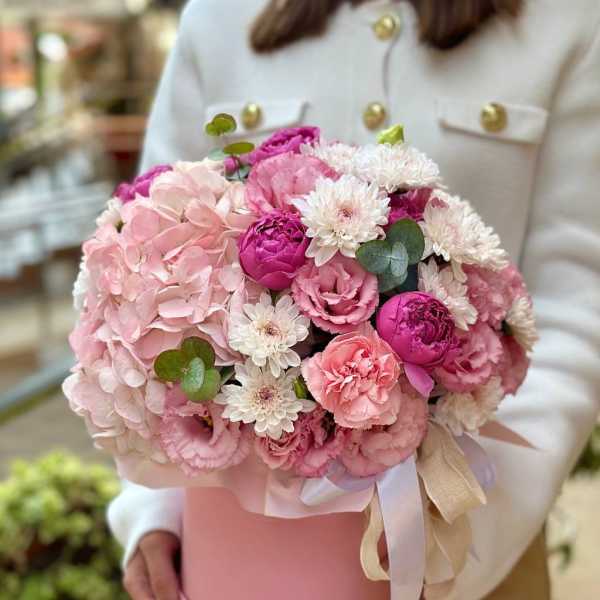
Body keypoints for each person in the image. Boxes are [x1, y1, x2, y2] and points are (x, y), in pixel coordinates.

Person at [107, 0, 600, 599]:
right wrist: (153, 510)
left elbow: (575, 304)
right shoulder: (218, 15)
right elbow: (149, 268)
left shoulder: (565, 19)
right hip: (236, 546)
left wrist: (466, 530)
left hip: (470, 549)